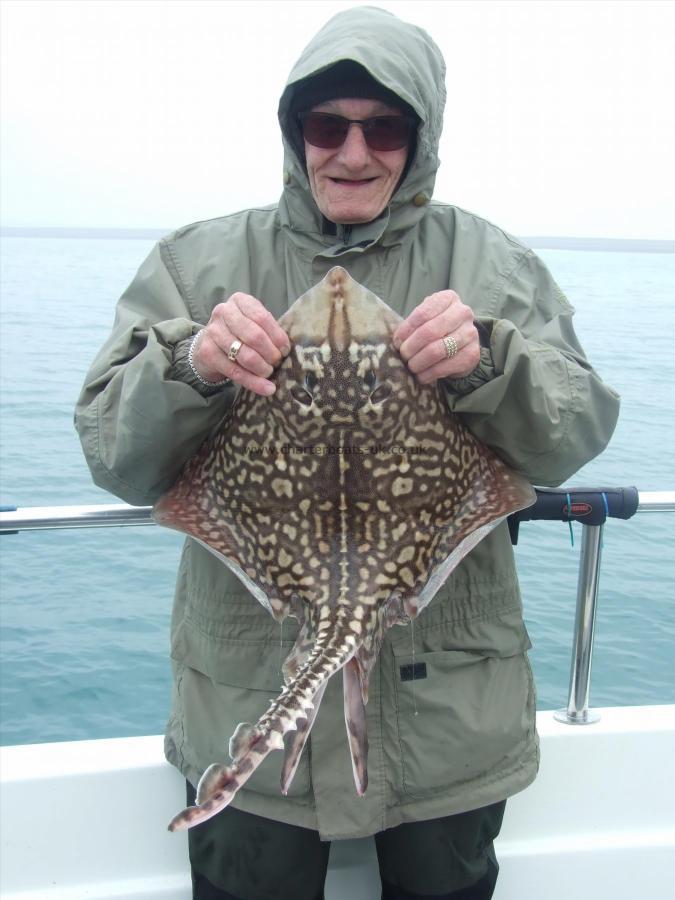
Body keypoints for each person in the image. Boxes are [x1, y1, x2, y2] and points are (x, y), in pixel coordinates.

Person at [75, 6, 619, 899]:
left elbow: (572, 433)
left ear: (421, 138)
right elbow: (111, 452)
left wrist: (489, 361)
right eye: (326, 127)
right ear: (295, 135)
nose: (353, 154)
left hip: (447, 719)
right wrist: (189, 363)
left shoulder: (493, 263)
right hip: (243, 688)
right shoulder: (197, 261)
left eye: (385, 128)